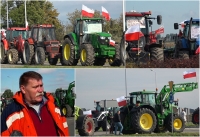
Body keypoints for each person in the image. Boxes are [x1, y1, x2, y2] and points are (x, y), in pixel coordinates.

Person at [1, 71, 69, 136]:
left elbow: (64, 130)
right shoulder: (9, 113)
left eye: (41, 86)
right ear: (23, 89)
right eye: (35, 87)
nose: (40, 90)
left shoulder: (53, 106)